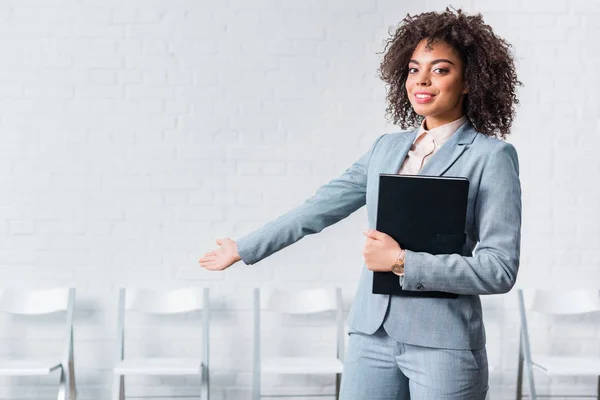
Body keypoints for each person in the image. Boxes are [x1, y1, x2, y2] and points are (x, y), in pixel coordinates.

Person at [199, 6, 522, 400]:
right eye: (413, 69)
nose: (422, 80)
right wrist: (244, 247)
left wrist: (402, 262)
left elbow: (499, 269)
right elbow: (320, 207)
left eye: (440, 70)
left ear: (469, 80)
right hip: (372, 335)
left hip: (443, 343)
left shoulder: (492, 157)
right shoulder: (386, 148)